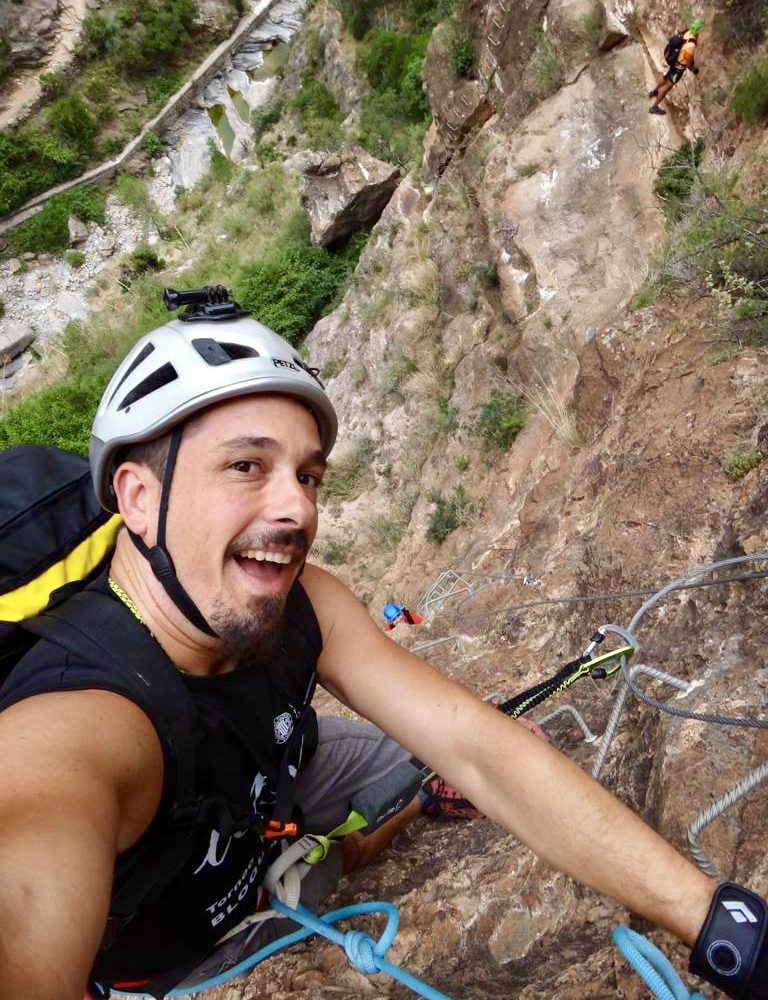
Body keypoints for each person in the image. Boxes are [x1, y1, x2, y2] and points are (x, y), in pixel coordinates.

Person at [0, 289, 764, 1000]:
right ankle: (329, 857)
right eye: (246, 466)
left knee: (424, 762)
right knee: (320, 868)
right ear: (137, 497)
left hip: (275, 773)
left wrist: (722, 924)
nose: (296, 507)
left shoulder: (304, 607)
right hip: (178, 943)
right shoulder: (79, 724)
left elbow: (476, 745)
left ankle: (377, 817)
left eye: (308, 475)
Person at [649, 18, 702, 115]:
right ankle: (654, 107)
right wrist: (692, 68)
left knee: (665, 77)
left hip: (673, 62)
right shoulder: (691, 45)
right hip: (678, 68)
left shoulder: (686, 32)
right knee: (668, 87)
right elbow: (689, 61)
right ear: (698, 30)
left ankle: (654, 91)